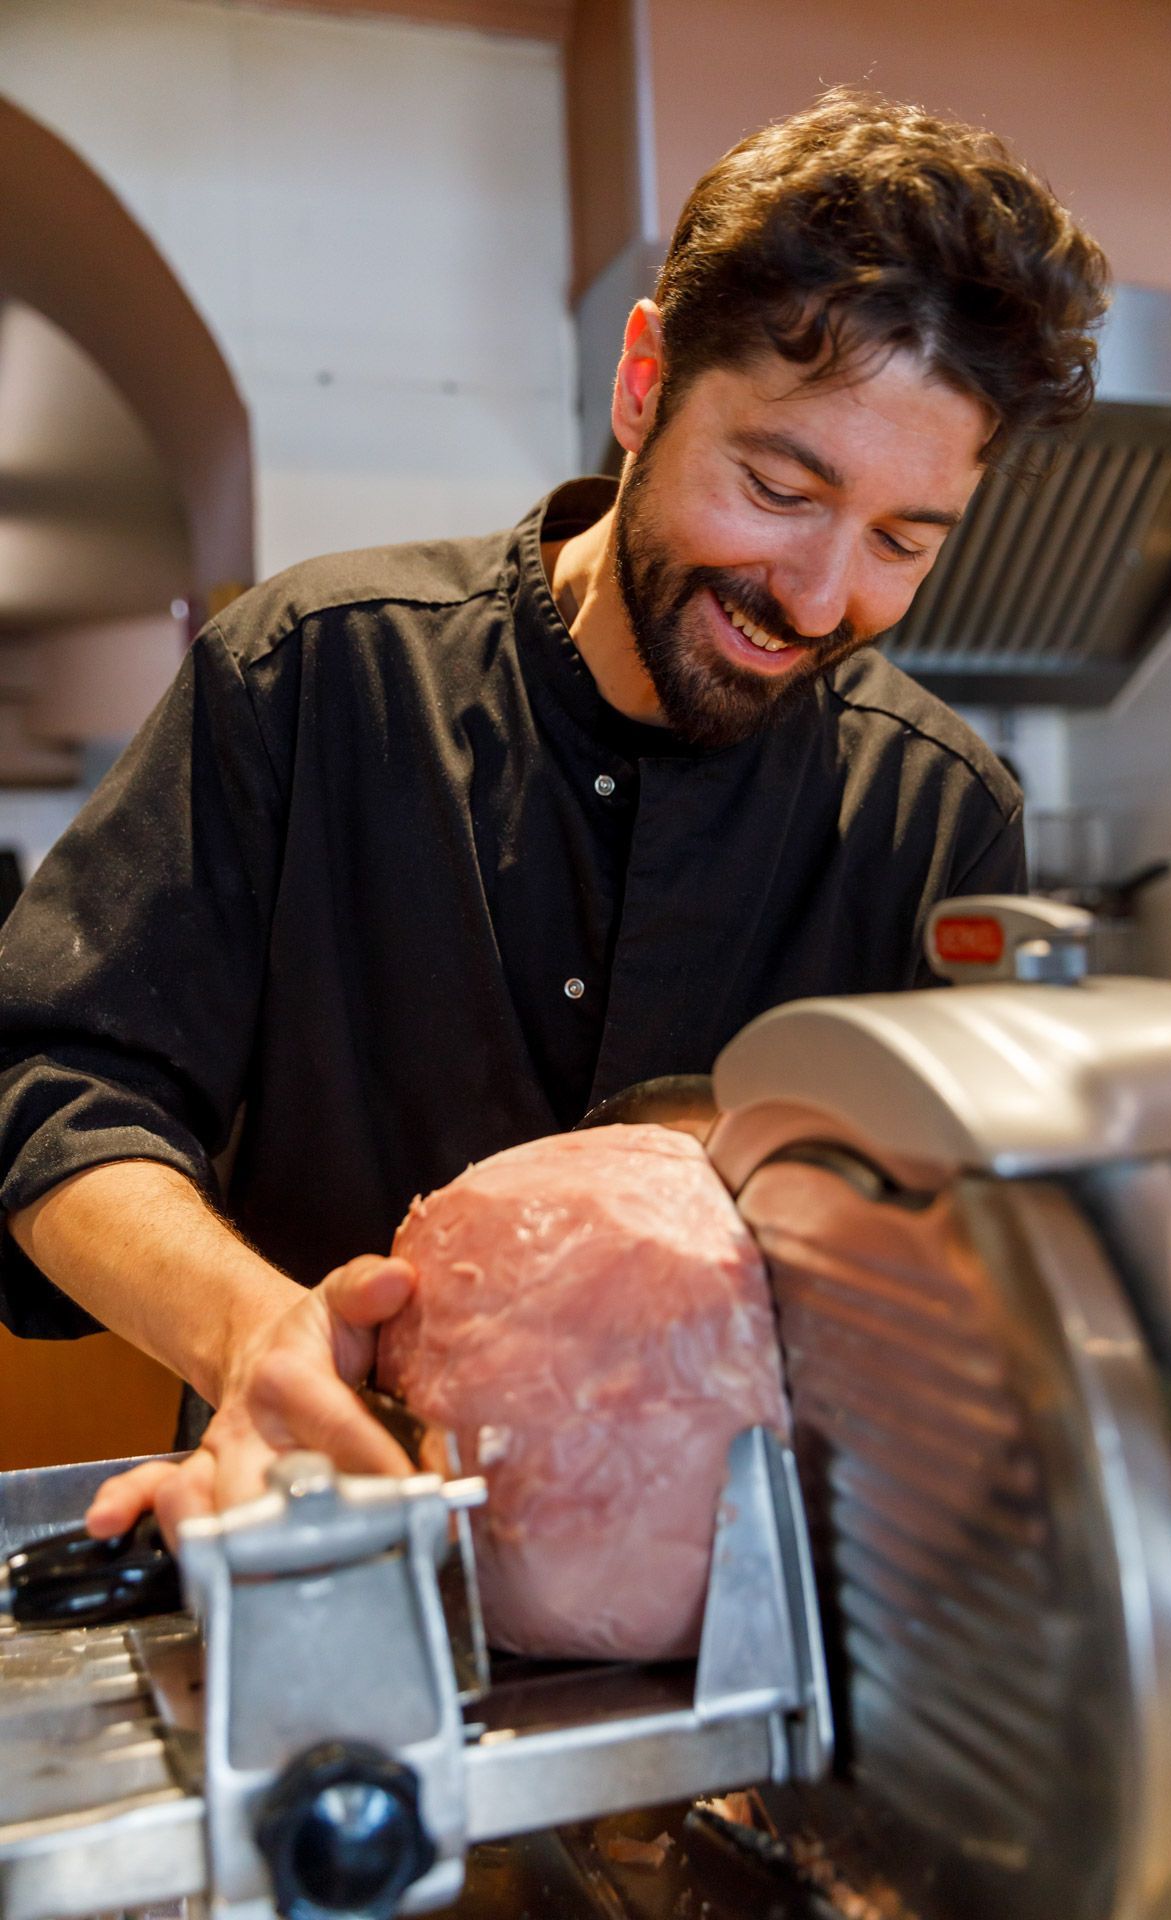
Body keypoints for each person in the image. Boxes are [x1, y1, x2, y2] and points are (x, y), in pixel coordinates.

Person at [0, 89, 1108, 1540]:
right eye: (780, 488)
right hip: (321, 1542)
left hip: (738, 1621)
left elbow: (932, 1287)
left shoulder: (936, 815)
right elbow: (53, 1085)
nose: (825, 599)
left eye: (905, 540)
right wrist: (249, 1338)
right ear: (644, 382)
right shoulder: (319, 671)